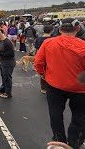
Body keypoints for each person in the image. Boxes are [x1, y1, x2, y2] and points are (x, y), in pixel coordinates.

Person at [34, 18, 85, 149]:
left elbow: (38, 62)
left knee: (55, 113)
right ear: (78, 28)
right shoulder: (83, 46)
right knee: (80, 116)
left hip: (55, 85)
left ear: (59, 29)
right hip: (80, 88)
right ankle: (74, 142)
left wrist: (43, 75)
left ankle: (58, 140)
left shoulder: (48, 43)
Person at [0, 29, 16, 98]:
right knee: (3, 76)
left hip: (8, 62)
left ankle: (8, 93)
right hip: (3, 62)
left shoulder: (7, 42)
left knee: (7, 78)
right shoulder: (0, 41)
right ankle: (3, 89)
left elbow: (11, 54)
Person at [34, 25, 53, 94]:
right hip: (50, 58)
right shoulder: (53, 39)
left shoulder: (39, 39)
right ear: (51, 31)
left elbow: (37, 49)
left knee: (42, 73)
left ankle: (43, 88)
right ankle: (50, 86)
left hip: (41, 58)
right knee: (50, 72)